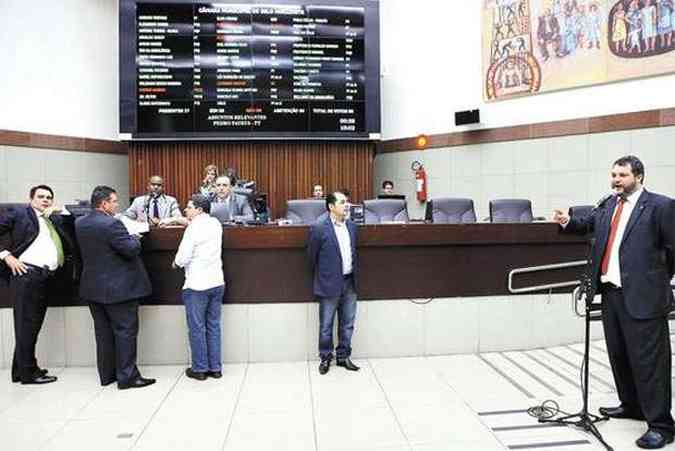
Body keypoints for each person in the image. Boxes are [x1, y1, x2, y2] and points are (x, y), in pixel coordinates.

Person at [553, 156, 675, 449]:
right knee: (619, 355)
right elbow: (590, 224)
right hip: (611, 294)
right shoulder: (609, 204)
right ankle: (631, 404)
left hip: (644, 297)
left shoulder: (661, 206)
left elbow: (673, 249)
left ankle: (661, 424)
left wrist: (656, 280)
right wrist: (567, 221)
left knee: (651, 363)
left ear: (639, 177)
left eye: (622, 175)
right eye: (613, 175)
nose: (616, 180)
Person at [76, 185, 156, 390]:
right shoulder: (112, 225)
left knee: (103, 333)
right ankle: (128, 377)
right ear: (104, 204)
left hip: (92, 288)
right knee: (125, 332)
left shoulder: (80, 222)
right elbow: (130, 250)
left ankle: (107, 375)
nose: (117, 204)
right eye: (114, 201)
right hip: (119, 289)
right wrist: (136, 238)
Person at [0, 185, 73, 384]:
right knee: (27, 326)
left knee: (29, 327)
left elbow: (73, 224)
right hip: (26, 276)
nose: (45, 200)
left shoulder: (53, 218)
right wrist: (7, 256)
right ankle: (29, 373)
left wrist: (60, 211)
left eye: (49, 197)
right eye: (41, 197)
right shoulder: (20, 213)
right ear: (31, 199)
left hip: (44, 278)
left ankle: (20, 370)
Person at [173, 194, 225, 381]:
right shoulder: (216, 224)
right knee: (213, 326)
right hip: (217, 282)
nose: (186, 210)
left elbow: (183, 257)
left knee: (197, 327)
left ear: (199, 210)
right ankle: (216, 368)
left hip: (197, 285)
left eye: (189, 207)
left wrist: (175, 263)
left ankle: (200, 369)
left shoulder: (193, 228)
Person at [307, 191, 359, 375]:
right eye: (343, 202)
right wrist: (323, 277)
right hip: (328, 283)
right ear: (331, 206)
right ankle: (325, 357)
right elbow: (311, 257)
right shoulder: (319, 227)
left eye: (347, 202)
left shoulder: (352, 226)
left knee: (348, 323)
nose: (347, 205)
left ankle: (343, 357)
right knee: (326, 326)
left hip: (349, 282)